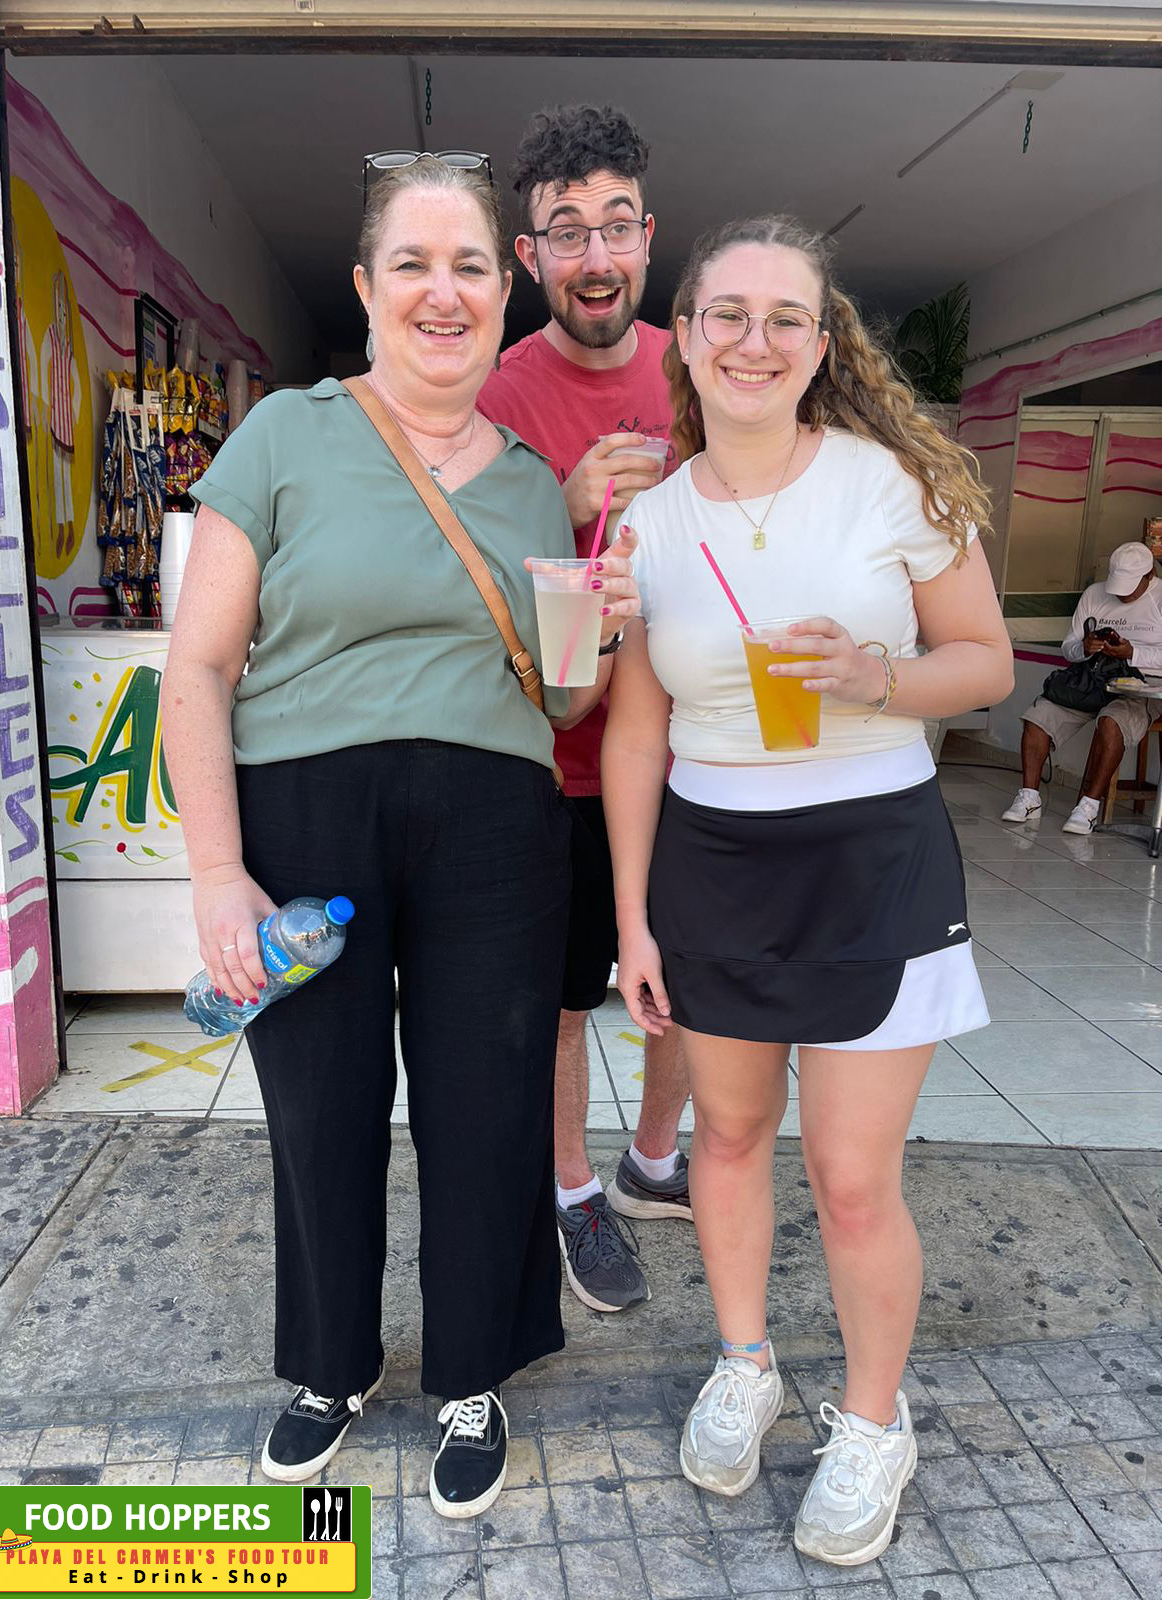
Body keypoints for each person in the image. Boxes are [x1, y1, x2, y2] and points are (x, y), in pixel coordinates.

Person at [160, 155, 638, 1518]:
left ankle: (472, 1369)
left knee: (487, 1108)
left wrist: (596, 626)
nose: (446, 292)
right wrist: (215, 871)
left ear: (506, 292)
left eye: (473, 266)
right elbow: (197, 670)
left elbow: (561, 698)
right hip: (303, 811)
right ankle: (331, 1361)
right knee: (320, 1106)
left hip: (496, 819)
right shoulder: (284, 439)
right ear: (368, 290)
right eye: (415, 265)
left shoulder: (534, 484)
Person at [602, 215, 1013, 1566]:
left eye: (787, 316)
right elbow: (636, 732)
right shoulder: (649, 524)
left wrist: (876, 679)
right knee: (723, 1140)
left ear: (822, 342)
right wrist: (633, 915)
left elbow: (987, 665)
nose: (755, 340)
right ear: (684, 336)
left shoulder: (890, 483)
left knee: (847, 1176)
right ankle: (744, 1362)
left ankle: (873, 1423)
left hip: (872, 857)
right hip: (714, 864)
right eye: (727, 313)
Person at [479, 103, 691, 1317]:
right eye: (567, 233)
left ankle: (653, 1157)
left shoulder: (703, 367)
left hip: (693, 755)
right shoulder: (502, 393)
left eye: (615, 226)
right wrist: (559, 505)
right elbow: (471, 580)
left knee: (691, 979)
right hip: (556, 765)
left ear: (648, 238)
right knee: (566, 996)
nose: (595, 255)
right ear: (531, 259)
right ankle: (570, 1188)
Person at [1003, 540, 1162, 835]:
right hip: (1090, 680)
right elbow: (1069, 648)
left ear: (1149, 575)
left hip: (1141, 688)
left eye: (1130, 586)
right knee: (1038, 717)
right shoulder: (1094, 594)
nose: (1122, 594)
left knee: (1111, 722)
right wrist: (1085, 648)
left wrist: (1132, 653)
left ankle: (1088, 807)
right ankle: (1029, 797)